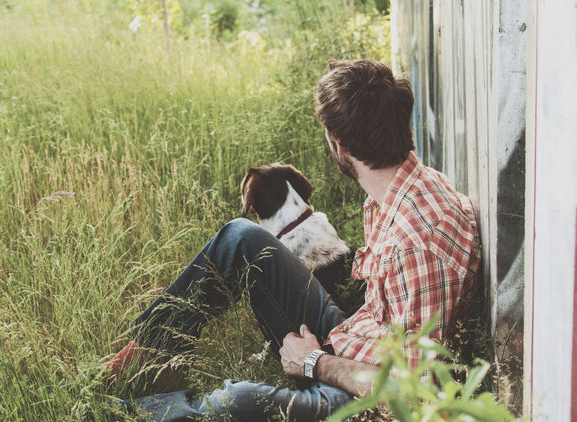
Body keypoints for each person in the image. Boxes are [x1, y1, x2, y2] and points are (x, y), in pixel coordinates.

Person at [107, 59, 481, 421]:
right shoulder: (406, 187)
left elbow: (411, 395)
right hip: (359, 343)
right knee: (241, 237)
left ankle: (115, 414)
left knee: (235, 402)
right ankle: (137, 357)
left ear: (340, 146)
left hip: (362, 396)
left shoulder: (412, 246)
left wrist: (313, 361)